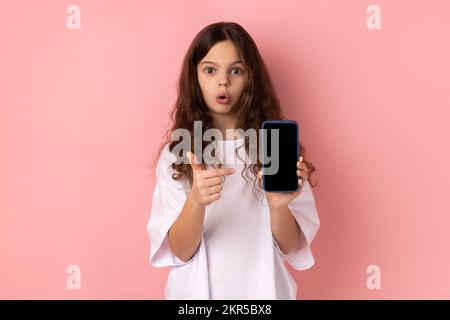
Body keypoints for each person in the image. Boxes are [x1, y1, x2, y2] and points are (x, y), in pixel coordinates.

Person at [146, 21, 320, 299]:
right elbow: (180, 250)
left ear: (251, 78)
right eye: (210, 70)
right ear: (195, 77)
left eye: (236, 71)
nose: (223, 81)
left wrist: (278, 206)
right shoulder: (179, 153)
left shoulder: (276, 147)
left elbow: (290, 246)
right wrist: (195, 201)